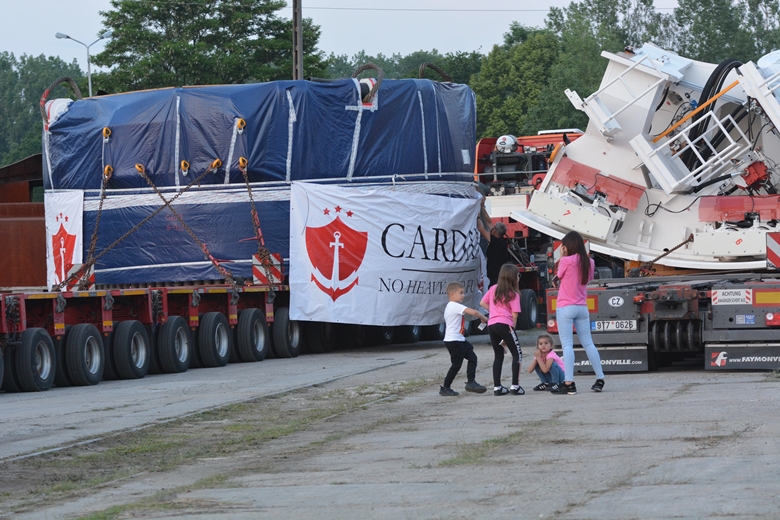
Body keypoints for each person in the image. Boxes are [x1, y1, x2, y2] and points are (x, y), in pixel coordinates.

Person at [550, 231, 605, 395]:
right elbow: (587, 280)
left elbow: (559, 275)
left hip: (566, 306)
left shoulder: (566, 260)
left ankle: (569, 382)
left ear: (568, 246)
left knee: (567, 344)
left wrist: (562, 256)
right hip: (582, 306)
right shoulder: (590, 262)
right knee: (588, 343)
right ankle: (600, 378)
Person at [480, 263, 524, 396]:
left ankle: (497, 387)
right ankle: (515, 386)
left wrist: (494, 311)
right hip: (505, 324)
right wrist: (512, 330)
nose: (518, 277)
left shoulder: (493, 288)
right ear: (513, 277)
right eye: (518, 275)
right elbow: (514, 316)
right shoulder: (514, 294)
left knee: (498, 356)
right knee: (517, 354)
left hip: (492, 324)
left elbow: (482, 302)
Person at [440, 281, 488, 396]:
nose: (463, 295)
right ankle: (445, 387)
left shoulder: (453, 306)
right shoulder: (454, 305)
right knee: (456, 365)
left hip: (459, 339)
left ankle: (471, 382)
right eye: (461, 293)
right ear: (452, 294)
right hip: (454, 341)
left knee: (473, 358)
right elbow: (474, 312)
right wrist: (484, 318)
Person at [477, 211, 509, 288]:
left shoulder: (495, 241)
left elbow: (481, 228)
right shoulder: (501, 241)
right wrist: (482, 208)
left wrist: (477, 217)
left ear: (494, 231)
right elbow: (489, 222)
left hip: (495, 276)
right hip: (500, 274)